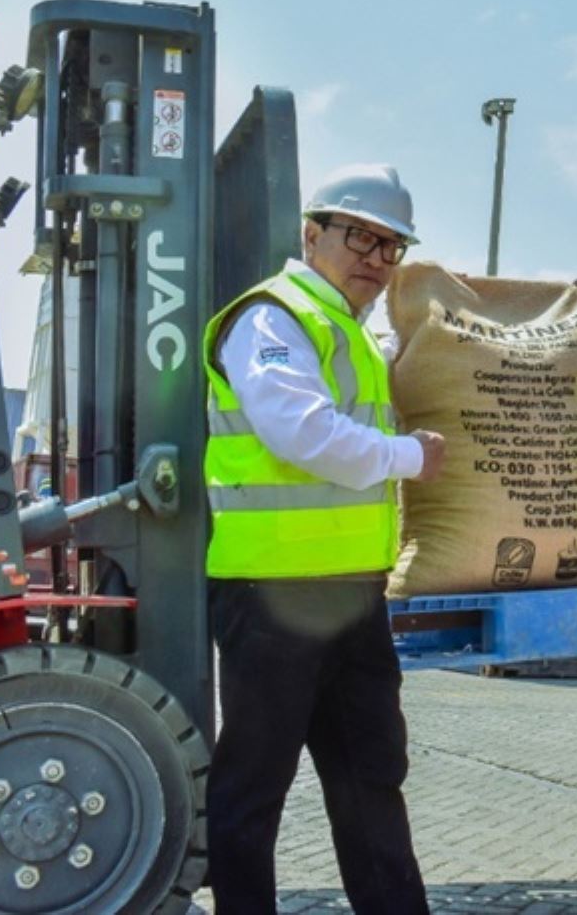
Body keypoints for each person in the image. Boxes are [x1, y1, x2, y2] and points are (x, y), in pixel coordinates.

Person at [203, 163, 447, 915]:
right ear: (312, 234)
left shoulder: (353, 335)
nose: (375, 258)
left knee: (372, 773)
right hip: (273, 594)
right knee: (254, 785)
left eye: (390, 246)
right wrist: (412, 456)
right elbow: (300, 431)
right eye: (359, 237)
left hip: (351, 594)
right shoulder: (272, 318)